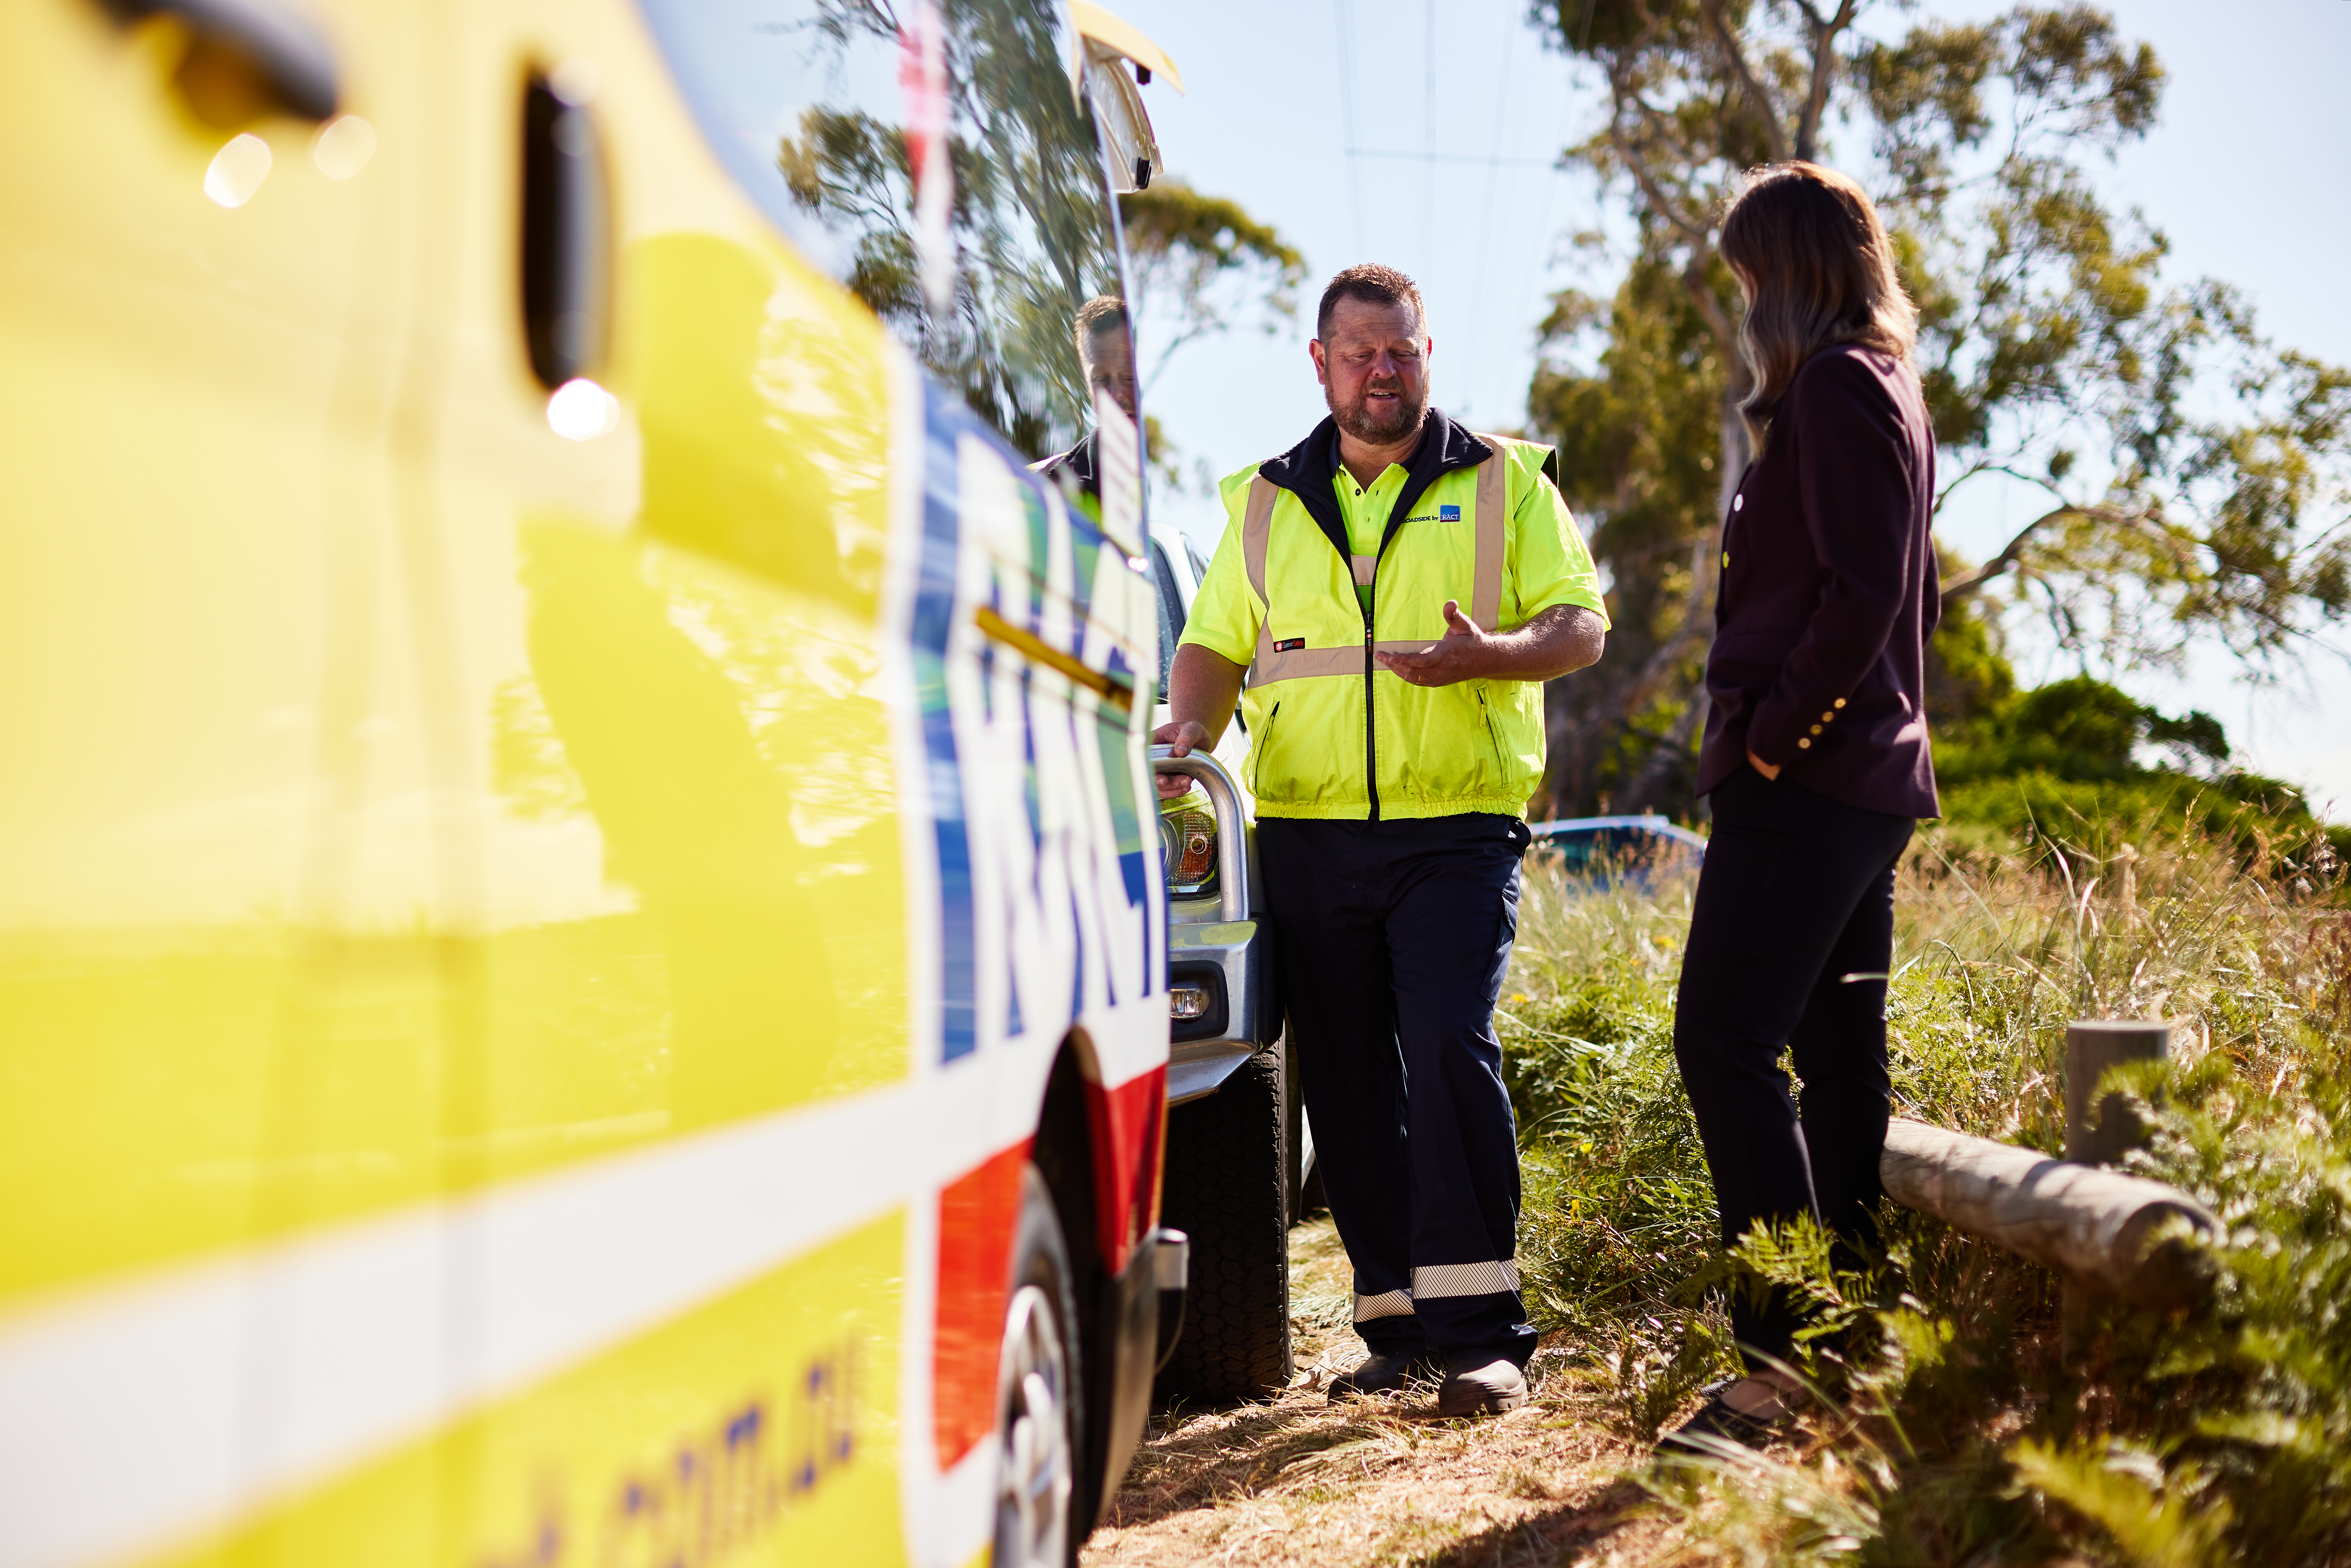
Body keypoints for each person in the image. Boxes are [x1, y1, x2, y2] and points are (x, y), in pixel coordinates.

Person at [1157, 264, 1610, 1417]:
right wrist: (1185, 730)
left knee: (1448, 1045)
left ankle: (1486, 1336)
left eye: (1401, 350)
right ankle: (1395, 1322)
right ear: (1321, 362)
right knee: (1348, 1077)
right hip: (1307, 835)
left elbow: (1578, 626)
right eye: (1360, 353)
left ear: (1426, 351)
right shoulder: (1263, 501)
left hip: (1456, 831)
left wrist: (1491, 655)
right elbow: (1215, 641)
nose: (1382, 372)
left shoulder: (1508, 483)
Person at [1663, 163, 1940, 1450]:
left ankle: (1778, 1363)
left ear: (1790, 275)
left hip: (1814, 782)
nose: (1743, 308)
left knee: (1723, 1040)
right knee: (1835, 1065)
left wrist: (1770, 742)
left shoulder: (1835, 388)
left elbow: (1864, 595)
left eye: (1749, 281)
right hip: (1853, 785)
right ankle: (1855, 1349)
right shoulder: (1878, 384)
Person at [1035, 295, 1137, 500]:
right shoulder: (1044, 489)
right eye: (1101, 380)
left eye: (1128, 376)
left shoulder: (1220, 494)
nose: (1116, 394)